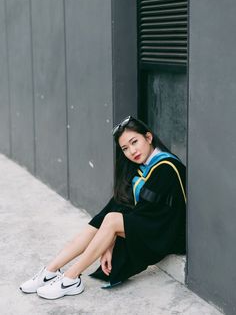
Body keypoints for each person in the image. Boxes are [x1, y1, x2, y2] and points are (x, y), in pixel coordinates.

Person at [20, 116, 186, 300]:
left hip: (167, 233)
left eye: (134, 142)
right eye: (125, 148)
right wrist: (107, 239)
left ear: (148, 137)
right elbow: (119, 206)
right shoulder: (141, 166)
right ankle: (50, 270)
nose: (132, 151)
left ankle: (71, 278)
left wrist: (111, 236)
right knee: (104, 217)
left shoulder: (167, 167)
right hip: (149, 224)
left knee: (111, 220)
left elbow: (148, 215)